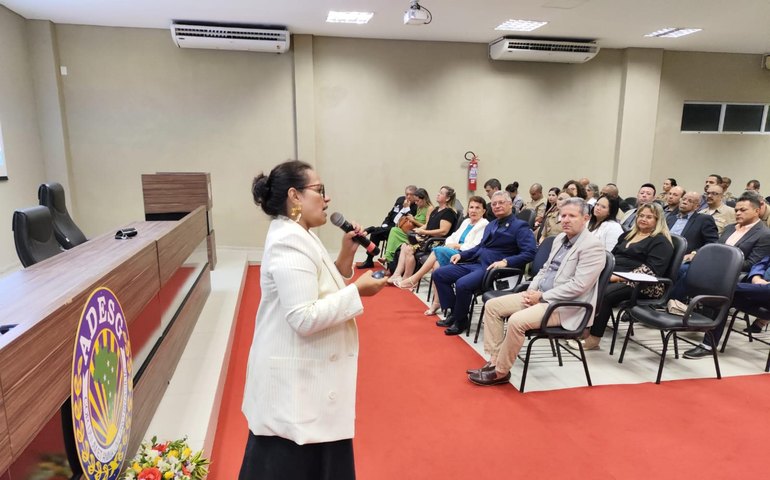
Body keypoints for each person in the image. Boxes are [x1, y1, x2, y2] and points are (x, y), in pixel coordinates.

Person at [240, 160, 388, 480]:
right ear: (295, 196)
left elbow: (319, 283)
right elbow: (304, 316)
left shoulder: (300, 232)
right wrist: (358, 292)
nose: (327, 198)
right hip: (295, 389)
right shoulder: (288, 240)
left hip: (308, 380)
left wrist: (346, 256)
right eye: (320, 190)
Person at [467, 198, 606, 386]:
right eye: (563, 215)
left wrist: (541, 296)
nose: (565, 219)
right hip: (540, 296)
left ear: (585, 218)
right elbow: (545, 270)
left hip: (563, 306)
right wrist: (532, 290)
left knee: (517, 321)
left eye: (572, 216)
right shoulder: (559, 239)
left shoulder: (592, 246)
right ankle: (494, 360)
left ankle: (500, 371)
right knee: (492, 306)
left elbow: (579, 286)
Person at [432, 191, 537, 336]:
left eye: (501, 203)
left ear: (510, 204)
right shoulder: (492, 224)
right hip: (476, 264)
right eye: (494, 204)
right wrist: (461, 255)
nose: (497, 206)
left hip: (494, 270)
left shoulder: (520, 226)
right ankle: (454, 313)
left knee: (463, 284)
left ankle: (461, 320)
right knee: (439, 274)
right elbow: (480, 247)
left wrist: (506, 261)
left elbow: (530, 253)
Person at [582, 202, 674, 350]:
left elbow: (651, 270)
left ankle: (594, 338)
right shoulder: (627, 235)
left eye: (649, 217)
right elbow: (610, 257)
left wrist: (616, 277)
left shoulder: (661, 241)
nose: (643, 219)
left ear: (658, 221)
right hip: (615, 276)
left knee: (605, 294)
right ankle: (582, 328)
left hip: (642, 284)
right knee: (584, 284)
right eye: (641, 215)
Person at [399, 197, 489, 313]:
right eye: (471, 207)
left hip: (466, 255)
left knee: (438, 250)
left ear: (484, 211)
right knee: (437, 266)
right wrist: (452, 244)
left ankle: (415, 278)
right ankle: (436, 303)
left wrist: (456, 246)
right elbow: (452, 236)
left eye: (478, 208)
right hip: (453, 251)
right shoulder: (467, 222)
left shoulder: (484, 224)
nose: (473, 210)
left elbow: (475, 246)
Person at [388, 186, 458, 285]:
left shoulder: (449, 213)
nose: (438, 194)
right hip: (427, 239)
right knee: (404, 245)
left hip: (435, 242)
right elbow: (428, 225)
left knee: (409, 249)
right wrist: (420, 229)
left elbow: (443, 231)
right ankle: (397, 274)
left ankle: (407, 278)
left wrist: (424, 232)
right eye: (439, 192)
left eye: (441, 193)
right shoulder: (437, 209)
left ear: (447, 198)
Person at [358, 185, 417, 268]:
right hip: (389, 226)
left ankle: (371, 229)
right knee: (375, 234)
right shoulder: (400, 200)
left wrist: (407, 208)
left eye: (411, 195)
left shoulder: (416, 206)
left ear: (415, 195)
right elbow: (391, 214)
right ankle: (369, 260)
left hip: (399, 230)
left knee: (376, 231)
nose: (408, 197)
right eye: (406, 194)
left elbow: (411, 222)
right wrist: (385, 223)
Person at [380, 188, 431, 266]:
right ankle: (388, 257)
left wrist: (413, 220)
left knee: (394, 232)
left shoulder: (429, 208)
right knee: (394, 230)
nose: (416, 203)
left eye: (418, 201)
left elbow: (428, 226)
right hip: (411, 231)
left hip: (419, 234)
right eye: (415, 201)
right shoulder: (419, 207)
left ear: (424, 199)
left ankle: (388, 258)